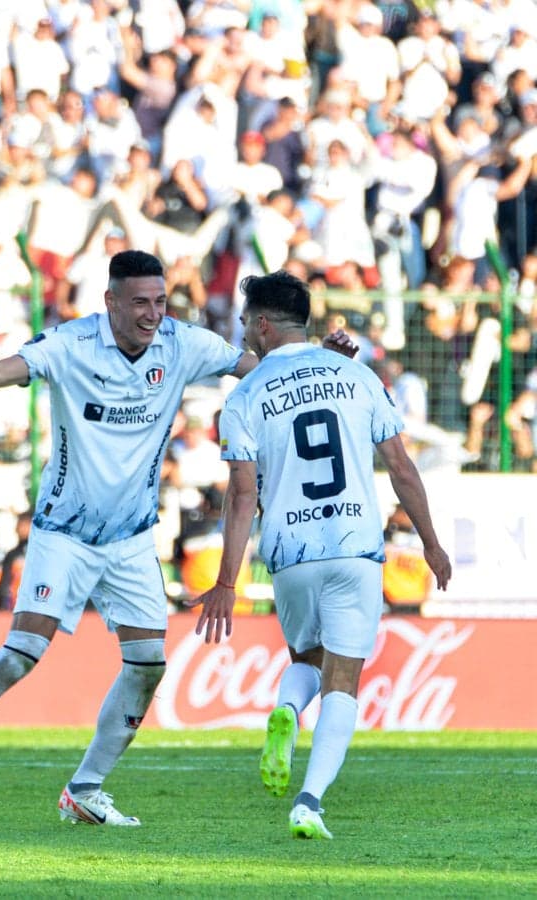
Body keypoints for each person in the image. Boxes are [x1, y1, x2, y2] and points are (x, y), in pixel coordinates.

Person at [0, 250, 258, 831]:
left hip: (132, 539)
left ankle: (85, 789)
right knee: (20, 657)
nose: (152, 314)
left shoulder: (183, 343)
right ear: (109, 301)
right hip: (65, 533)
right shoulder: (71, 345)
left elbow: (253, 364)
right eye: (139, 302)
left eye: (159, 301)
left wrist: (314, 363)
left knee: (148, 665)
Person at [188, 270, 452, 840]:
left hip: (291, 551)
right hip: (356, 545)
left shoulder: (244, 396)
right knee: (345, 679)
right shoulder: (357, 373)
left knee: (305, 661)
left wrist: (228, 581)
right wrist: (430, 542)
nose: (241, 332)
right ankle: (309, 801)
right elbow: (402, 469)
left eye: (244, 323)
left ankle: (286, 709)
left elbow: (241, 494)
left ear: (262, 325)